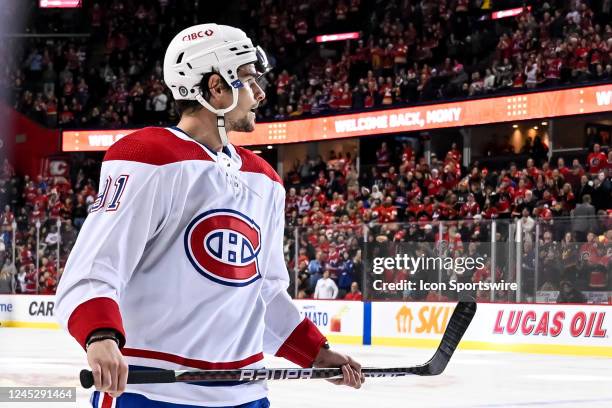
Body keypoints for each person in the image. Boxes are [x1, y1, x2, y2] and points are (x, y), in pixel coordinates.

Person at [56, 24, 363, 408]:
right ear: (216, 87)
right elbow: (94, 269)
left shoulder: (264, 180)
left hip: (245, 394)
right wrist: (100, 336)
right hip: (150, 392)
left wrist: (316, 352)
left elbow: (263, 292)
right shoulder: (149, 157)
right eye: (249, 80)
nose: (260, 93)